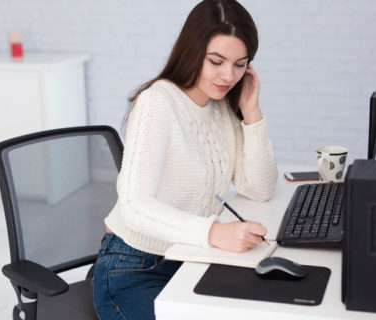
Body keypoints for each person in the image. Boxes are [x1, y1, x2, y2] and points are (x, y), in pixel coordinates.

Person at [92, 0, 278, 319]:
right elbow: (134, 205)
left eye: (239, 64)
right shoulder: (158, 103)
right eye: (216, 61)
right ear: (192, 51)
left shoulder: (221, 106)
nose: (228, 75)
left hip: (191, 259)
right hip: (134, 268)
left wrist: (251, 112)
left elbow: (259, 189)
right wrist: (214, 233)